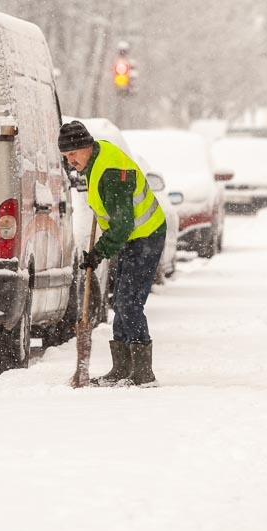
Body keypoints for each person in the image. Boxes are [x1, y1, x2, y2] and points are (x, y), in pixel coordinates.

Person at [58, 120, 167, 387]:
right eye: (66, 157)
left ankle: (143, 373)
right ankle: (121, 368)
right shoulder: (94, 161)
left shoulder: (110, 170)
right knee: (120, 300)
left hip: (146, 235)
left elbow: (123, 224)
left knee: (129, 302)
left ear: (87, 147)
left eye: (73, 154)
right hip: (131, 237)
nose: (70, 161)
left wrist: (99, 253)